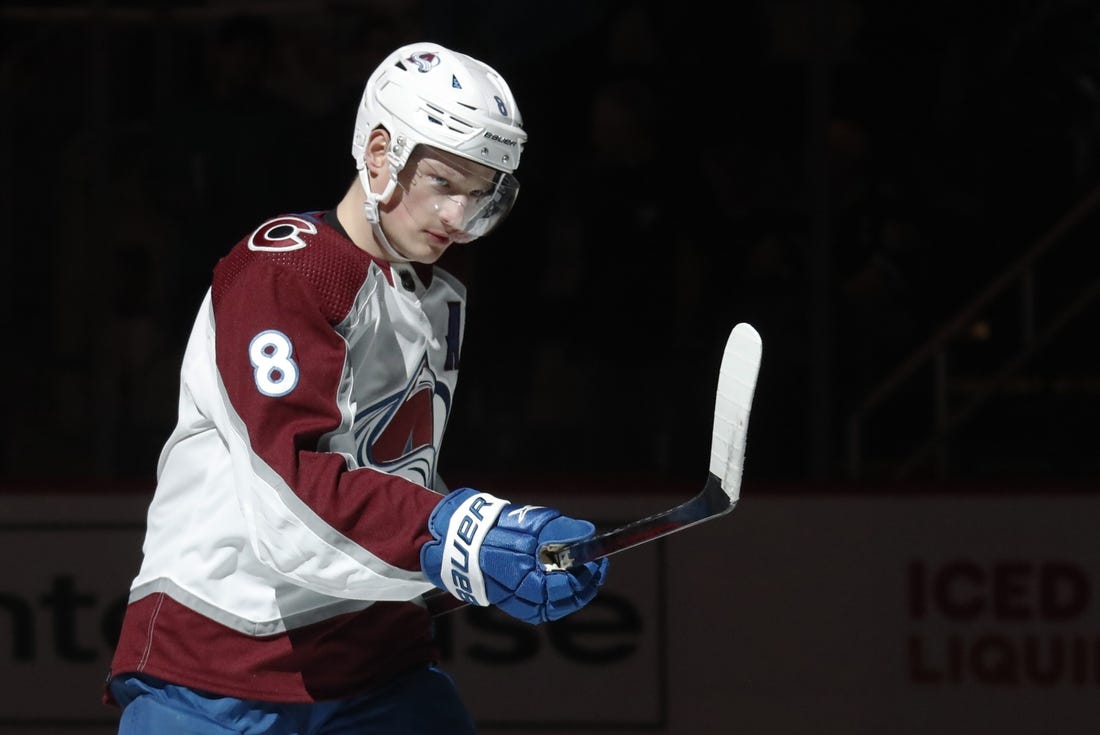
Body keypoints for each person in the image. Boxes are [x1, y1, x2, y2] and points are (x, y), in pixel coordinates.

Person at [104, 41, 609, 734]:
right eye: (444, 183)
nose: (460, 218)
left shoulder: (435, 297)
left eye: (481, 193)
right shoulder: (286, 270)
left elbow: (388, 478)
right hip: (217, 678)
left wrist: (497, 551)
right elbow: (291, 499)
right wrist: (457, 535)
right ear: (379, 154)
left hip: (375, 667)